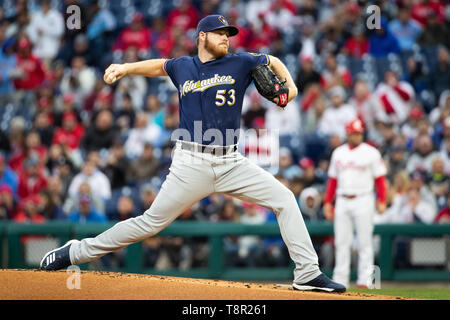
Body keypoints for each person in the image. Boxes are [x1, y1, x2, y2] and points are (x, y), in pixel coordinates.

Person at [40, 14, 345, 293]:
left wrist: (289, 88)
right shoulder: (183, 65)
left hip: (231, 161)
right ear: (202, 37)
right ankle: (75, 252)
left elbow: (273, 61)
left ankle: (307, 273)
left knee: (284, 200)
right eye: (219, 33)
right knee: (149, 224)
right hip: (191, 163)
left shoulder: (240, 63)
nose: (226, 38)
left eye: (228, 34)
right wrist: (125, 68)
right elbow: (159, 65)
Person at [323, 118, 387, 289]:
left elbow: (380, 179)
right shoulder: (338, 152)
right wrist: (328, 202)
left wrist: (382, 200)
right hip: (343, 199)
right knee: (342, 243)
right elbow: (332, 180)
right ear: (347, 133)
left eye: (359, 133)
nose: (357, 136)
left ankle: (366, 281)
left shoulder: (371, 152)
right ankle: (340, 280)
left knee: (365, 242)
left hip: (363, 199)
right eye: (354, 133)